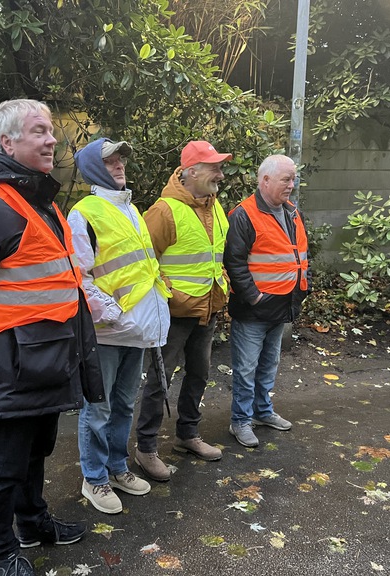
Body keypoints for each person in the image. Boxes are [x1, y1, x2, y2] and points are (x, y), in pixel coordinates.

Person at [0, 99, 105, 576]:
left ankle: (33, 524)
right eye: (39, 131)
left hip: (47, 359)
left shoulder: (38, 201)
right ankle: (1, 554)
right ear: (6, 143)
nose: (52, 139)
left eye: (51, 131)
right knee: (7, 463)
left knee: (36, 451)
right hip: (13, 362)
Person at [68, 138, 171, 513]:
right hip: (108, 331)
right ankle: (93, 479)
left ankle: (116, 468)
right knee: (98, 407)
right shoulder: (84, 214)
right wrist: (111, 313)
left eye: (121, 159)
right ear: (95, 168)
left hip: (135, 331)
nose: (120, 166)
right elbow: (80, 276)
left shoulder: (130, 208)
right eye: (110, 161)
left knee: (124, 404)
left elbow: (139, 267)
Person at [133, 140, 231, 482]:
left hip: (207, 308)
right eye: (214, 167)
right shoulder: (164, 211)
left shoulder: (215, 206)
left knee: (199, 374)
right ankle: (145, 448)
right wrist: (165, 295)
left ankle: (187, 435)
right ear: (191, 172)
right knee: (161, 380)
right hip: (174, 314)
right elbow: (144, 262)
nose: (221, 173)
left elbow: (214, 256)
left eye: (220, 166)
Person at [224, 154, 310, 448]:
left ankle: (262, 412)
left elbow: (295, 257)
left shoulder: (292, 213)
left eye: (293, 178)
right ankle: (241, 421)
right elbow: (234, 263)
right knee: (246, 369)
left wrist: (298, 293)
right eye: (286, 179)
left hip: (281, 305)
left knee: (268, 365)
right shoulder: (243, 215)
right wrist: (254, 298)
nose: (292, 185)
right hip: (254, 310)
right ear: (265, 180)